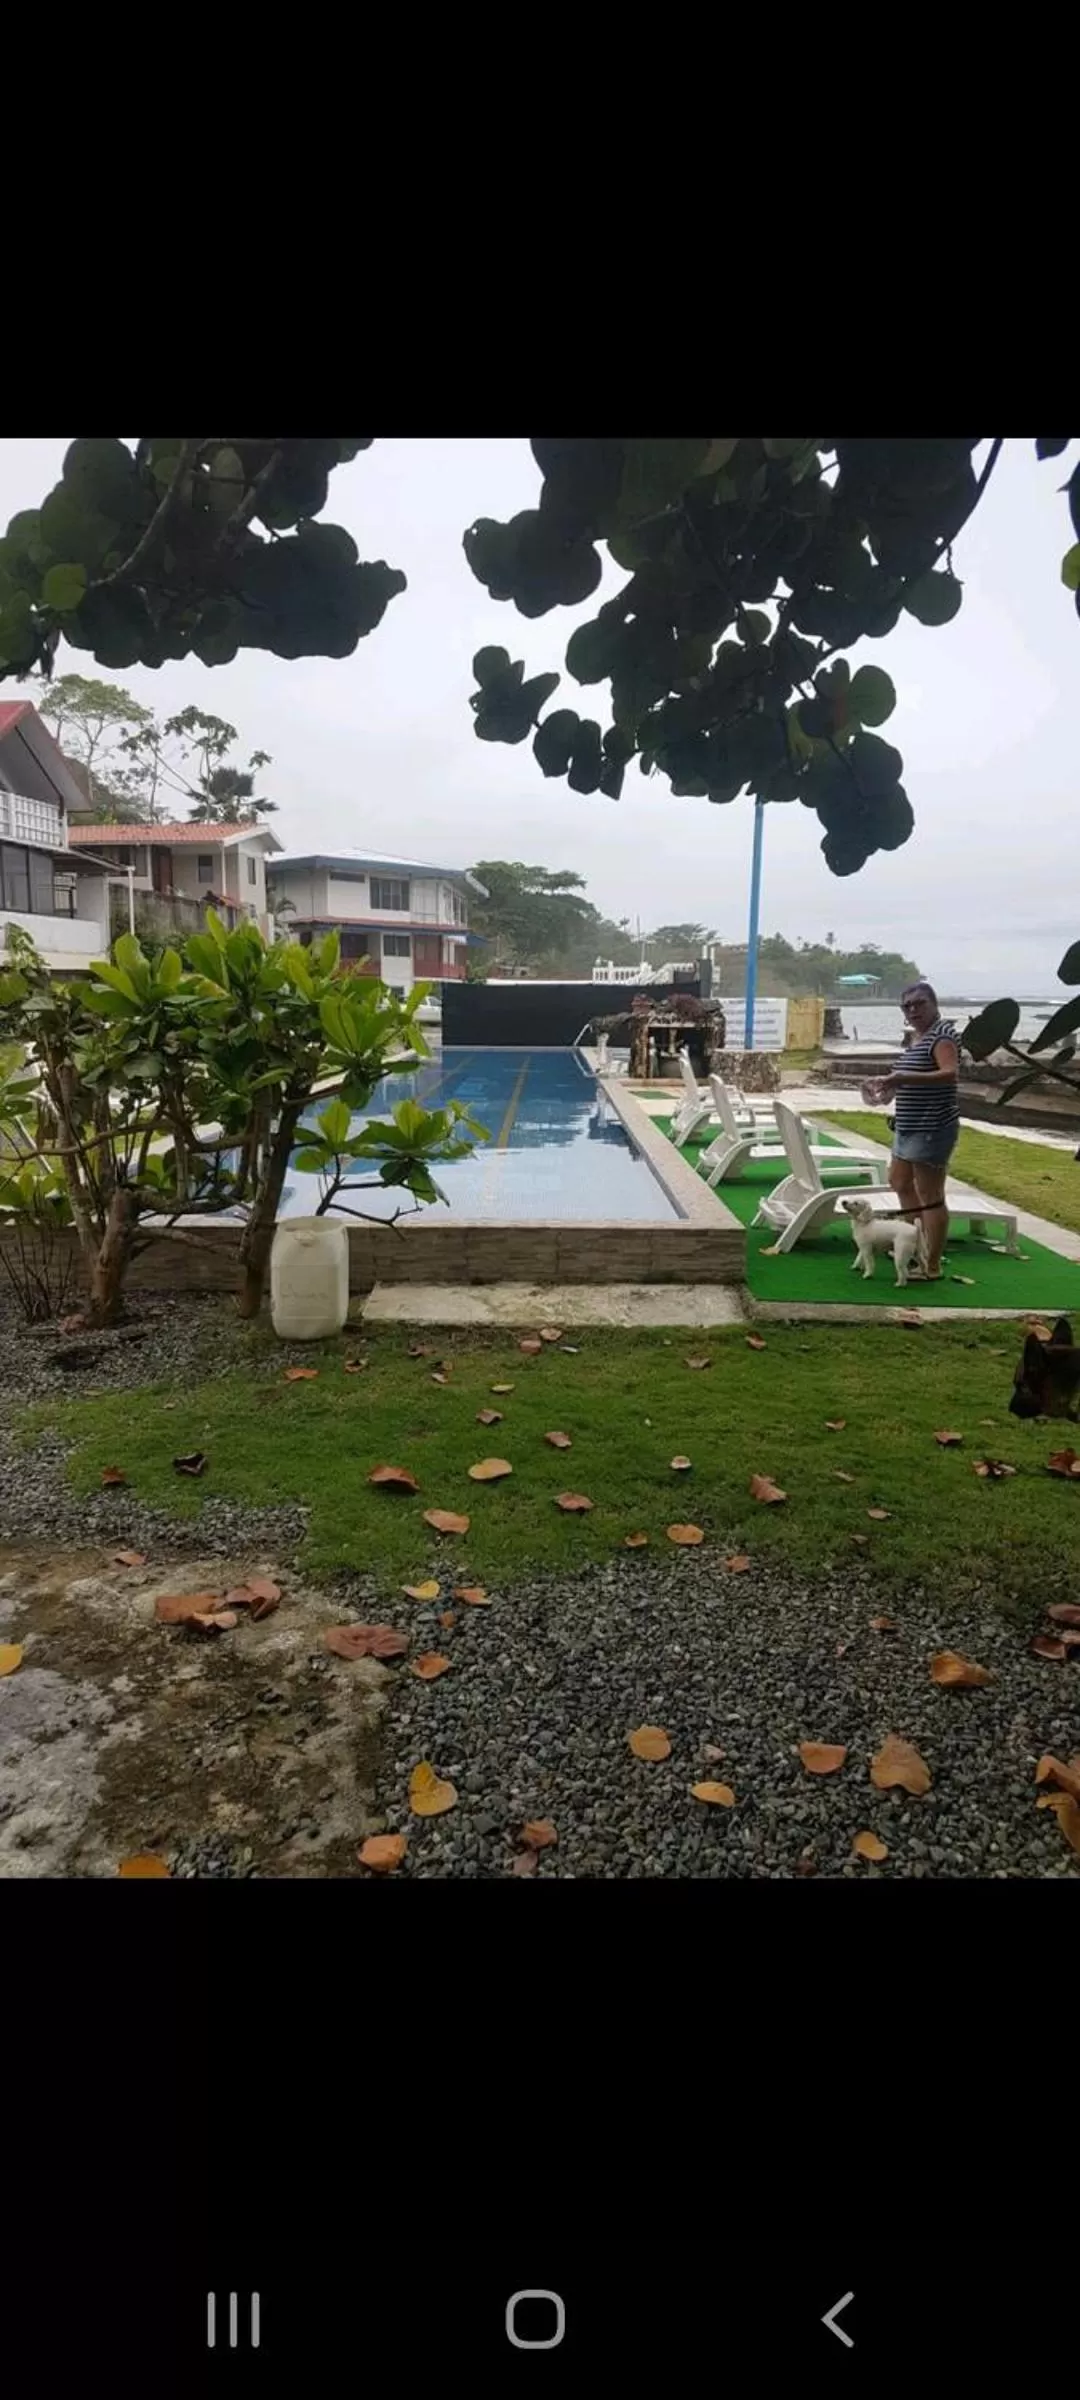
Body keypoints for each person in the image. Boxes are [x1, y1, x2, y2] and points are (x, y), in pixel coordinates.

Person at [870, 982, 960, 1282]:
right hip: (907, 1125)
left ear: (934, 1004)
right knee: (899, 1182)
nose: (913, 1010)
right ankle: (913, 1246)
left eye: (919, 1004)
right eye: (907, 1006)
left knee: (931, 1195)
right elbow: (911, 1080)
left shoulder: (942, 1034)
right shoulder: (918, 1038)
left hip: (932, 1127)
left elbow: (949, 1072)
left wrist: (903, 1076)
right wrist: (888, 1089)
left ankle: (931, 1264)